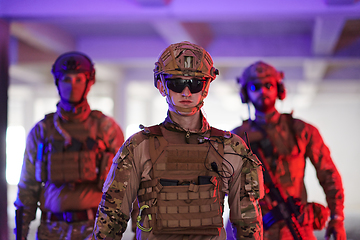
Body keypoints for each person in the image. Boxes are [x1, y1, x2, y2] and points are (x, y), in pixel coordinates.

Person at [92, 41, 264, 240]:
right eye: (177, 83)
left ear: (206, 87)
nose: (186, 92)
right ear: (161, 85)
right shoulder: (139, 146)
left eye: (195, 84)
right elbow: (111, 217)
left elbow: (248, 222)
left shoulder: (230, 148)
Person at [14, 51, 125, 240]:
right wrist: (21, 233)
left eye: (78, 79)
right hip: (51, 229)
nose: (72, 86)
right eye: (66, 79)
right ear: (57, 82)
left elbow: (124, 186)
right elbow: (27, 187)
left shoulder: (106, 129)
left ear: (89, 83)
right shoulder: (42, 131)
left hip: (94, 228)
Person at [230, 61, 346, 240]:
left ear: (279, 89)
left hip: (295, 226)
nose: (262, 91)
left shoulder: (302, 131)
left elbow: (328, 174)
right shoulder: (236, 138)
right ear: (245, 93)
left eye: (269, 85)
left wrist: (336, 218)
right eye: (255, 86)